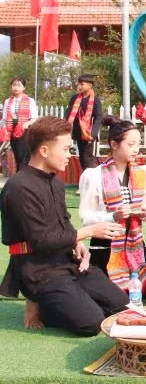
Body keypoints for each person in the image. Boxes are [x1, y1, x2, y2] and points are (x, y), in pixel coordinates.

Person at [0, 117, 128, 336]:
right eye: (67, 149)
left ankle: (66, 300)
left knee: (121, 306)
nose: (71, 155)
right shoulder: (18, 188)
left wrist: (77, 242)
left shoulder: (55, 183)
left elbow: (64, 222)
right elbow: (41, 241)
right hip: (37, 269)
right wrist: (89, 231)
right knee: (92, 323)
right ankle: (40, 302)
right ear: (44, 150)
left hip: (65, 261)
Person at [78, 116, 146, 291]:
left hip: (135, 242)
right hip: (104, 247)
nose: (136, 149)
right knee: (109, 292)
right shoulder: (93, 176)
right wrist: (113, 216)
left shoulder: (143, 172)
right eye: (130, 145)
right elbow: (86, 217)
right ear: (114, 145)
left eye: (138, 144)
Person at [66, 74, 103, 172]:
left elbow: (98, 117)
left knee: (88, 159)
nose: (79, 86)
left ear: (90, 86)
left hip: (89, 134)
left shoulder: (96, 100)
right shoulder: (75, 98)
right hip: (78, 133)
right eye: (79, 84)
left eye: (82, 84)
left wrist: (93, 133)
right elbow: (68, 114)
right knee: (82, 158)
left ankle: (91, 181)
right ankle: (85, 181)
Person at [0, 77, 38, 171]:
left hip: (25, 131)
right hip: (12, 131)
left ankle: (22, 178)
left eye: (19, 85)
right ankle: (20, 178)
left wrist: (26, 124)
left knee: (24, 156)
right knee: (17, 155)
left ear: (23, 87)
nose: (16, 87)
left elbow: (34, 118)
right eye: (14, 85)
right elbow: (4, 119)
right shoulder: (8, 101)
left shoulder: (30, 101)